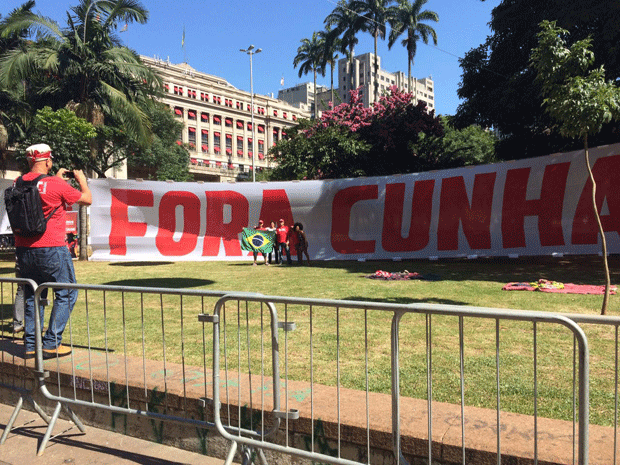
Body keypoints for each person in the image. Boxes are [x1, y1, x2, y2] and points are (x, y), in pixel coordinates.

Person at [15, 143, 92, 359]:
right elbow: (87, 199)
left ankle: (31, 345)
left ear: (30, 161)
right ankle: (51, 343)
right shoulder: (55, 185)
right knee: (67, 293)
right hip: (52, 249)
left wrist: (56, 180)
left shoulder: (17, 182)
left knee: (32, 295)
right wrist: (82, 181)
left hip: (23, 250)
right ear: (48, 161)